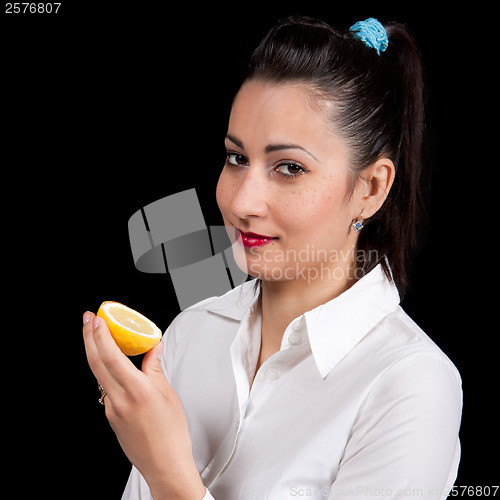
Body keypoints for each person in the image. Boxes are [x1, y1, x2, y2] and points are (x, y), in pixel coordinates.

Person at [83, 16, 462, 500]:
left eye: (289, 168)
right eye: (236, 158)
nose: (242, 203)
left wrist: (169, 475)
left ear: (370, 189)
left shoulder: (411, 384)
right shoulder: (189, 335)